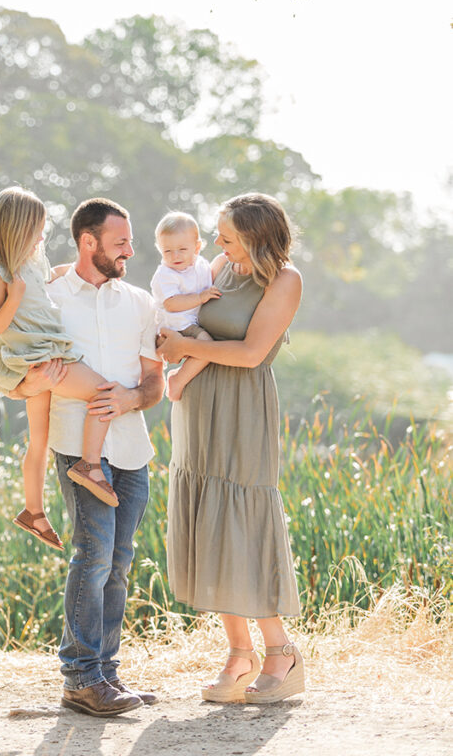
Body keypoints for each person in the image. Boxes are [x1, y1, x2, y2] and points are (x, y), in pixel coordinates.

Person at [7, 197, 164, 717]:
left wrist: (130, 398)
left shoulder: (141, 302)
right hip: (77, 448)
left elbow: (154, 382)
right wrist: (28, 381)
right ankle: (79, 676)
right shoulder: (45, 294)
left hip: (132, 450)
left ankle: (106, 675)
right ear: (88, 242)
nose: (131, 250)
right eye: (121, 242)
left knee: (118, 565)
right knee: (92, 558)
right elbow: (15, 366)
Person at [157, 193, 305, 705]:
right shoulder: (219, 266)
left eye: (226, 236)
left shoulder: (285, 281)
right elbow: (186, 320)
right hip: (198, 409)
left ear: (257, 238)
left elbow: (250, 352)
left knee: (243, 525)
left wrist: (184, 351)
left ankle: (280, 651)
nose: (215, 244)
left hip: (243, 409)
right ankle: (239, 654)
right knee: (210, 524)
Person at [0, 187, 121, 553]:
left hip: (44, 355)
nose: (42, 235)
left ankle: (33, 512)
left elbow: (45, 282)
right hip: (40, 358)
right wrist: (16, 295)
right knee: (104, 392)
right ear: (17, 227)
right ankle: (89, 465)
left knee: (39, 442)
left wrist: (72, 270)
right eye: (37, 228)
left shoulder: (32, 263)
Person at [150, 211, 222, 402]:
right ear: (160, 250)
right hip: (178, 324)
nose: (175, 256)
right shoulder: (165, 275)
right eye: (167, 251)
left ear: (197, 247)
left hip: (192, 320)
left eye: (182, 249)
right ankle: (178, 379)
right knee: (207, 345)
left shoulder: (201, 265)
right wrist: (200, 297)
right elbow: (172, 304)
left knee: (205, 346)